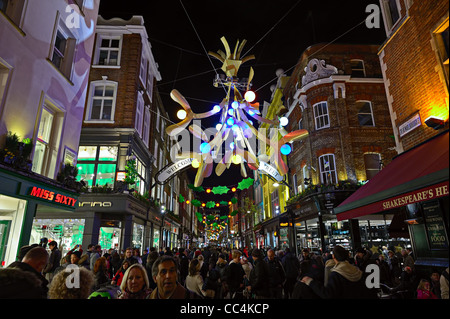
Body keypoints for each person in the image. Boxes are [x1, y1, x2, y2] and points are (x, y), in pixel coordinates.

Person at [301, 245, 377, 299]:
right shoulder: (356, 270)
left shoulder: (336, 274)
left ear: (333, 257)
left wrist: (310, 282)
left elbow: (328, 294)